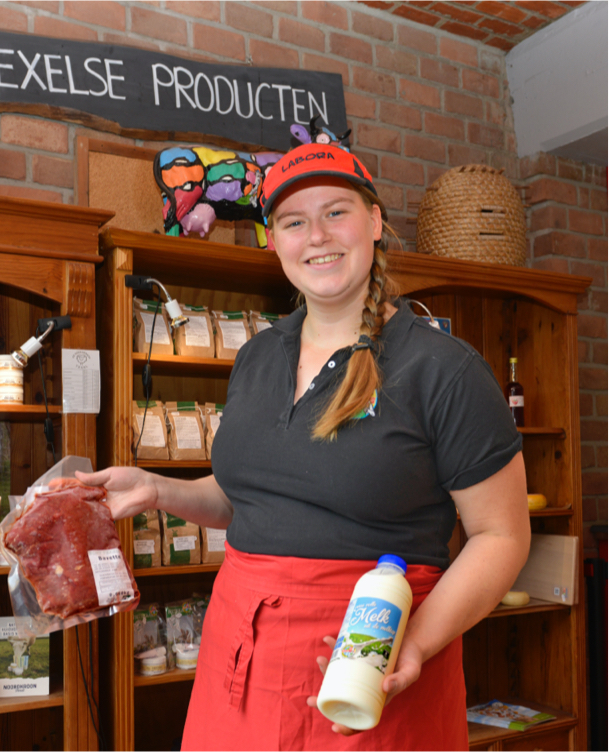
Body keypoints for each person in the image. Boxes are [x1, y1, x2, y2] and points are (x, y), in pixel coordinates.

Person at [78, 141, 531, 750]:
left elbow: (502, 536)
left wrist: (416, 643)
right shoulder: (258, 355)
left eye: (336, 212)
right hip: (240, 657)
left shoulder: (442, 369)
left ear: (375, 222)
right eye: (294, 222)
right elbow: (246, 500)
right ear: (274, 241)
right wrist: (156, 489)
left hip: (370, 659)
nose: (317, 236)